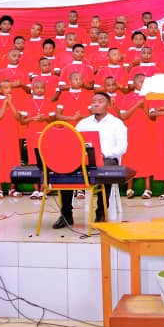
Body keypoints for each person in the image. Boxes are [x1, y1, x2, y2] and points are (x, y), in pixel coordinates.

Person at [53, 93, 128, 228]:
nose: (96, 104)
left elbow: (122, 148)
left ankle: (101, 212)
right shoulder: (83, 123)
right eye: (93, 101)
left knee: (106, 170)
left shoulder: (117, 124)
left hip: (106, 159)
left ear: (108, 105)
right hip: (84, 159)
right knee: (65, 169)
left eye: (100, 101)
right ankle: (66, 214)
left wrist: (103, 154)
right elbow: (73, 143)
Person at [121, 73, 154, 199]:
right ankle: (129, 188)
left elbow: (152, 116)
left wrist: (143, 106)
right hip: (131, 132)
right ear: (134, 83)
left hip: (146, 131)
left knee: (146, 157)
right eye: (141, 82)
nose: (143, 84)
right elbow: (123, 116)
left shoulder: (150, 97)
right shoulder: (127, 97)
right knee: (131, 158)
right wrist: (136, 105)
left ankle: (148, 189)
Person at [0, 79, 26, 199]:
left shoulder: (16, 101)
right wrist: (4, 103)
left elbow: (18, 117)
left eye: (10, 87)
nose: (8, 90)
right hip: (0, 135)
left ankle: (12, 188)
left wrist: (10, 103)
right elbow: (0, 116)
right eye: (6, 88)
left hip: (12, 134)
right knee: (0, 160)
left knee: (14, 160)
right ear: (0, 90)